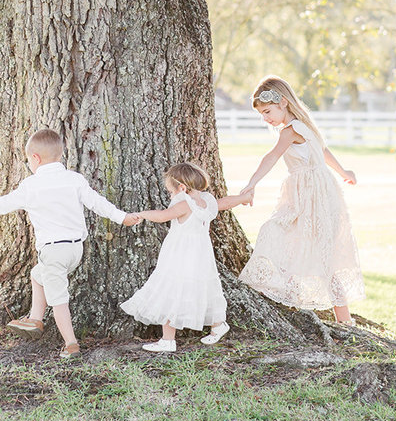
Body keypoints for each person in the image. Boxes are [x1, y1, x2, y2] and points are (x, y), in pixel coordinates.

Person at [0, 127, 141, 360]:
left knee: (59, 300)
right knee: (37, 275)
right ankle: (35, 319)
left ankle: (71, 344)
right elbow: (98, 203)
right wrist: (123, 217)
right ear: (59, 155)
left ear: (35, 158)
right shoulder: (74, 179)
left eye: (28, 159)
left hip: (52, 251)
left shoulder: (31, 186)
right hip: (75, 250)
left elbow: (2, 204)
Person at [238, 76, 364, 324]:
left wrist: (251, 184)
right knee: (299, 242)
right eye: (262, 114)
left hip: (312, 197)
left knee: (309, 247)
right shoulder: (304, 125)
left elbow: (272, 157)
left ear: (283, 102)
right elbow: (323, 151)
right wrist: (343, 173)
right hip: (315, 193)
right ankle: (326, 311)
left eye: (268, 111)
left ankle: (343, 318)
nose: (266, 118)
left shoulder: (292, 129)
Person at [121, 162, 251, 352]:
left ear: (182, 188)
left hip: (180, 255)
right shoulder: (205, 201)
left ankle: (168, 340)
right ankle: (218, 324)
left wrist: (141, 214)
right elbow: (225, 203)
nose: (170, 196)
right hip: (200, 256)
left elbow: (163, 216)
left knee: (171, 290)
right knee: (204, 288)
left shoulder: (184, 204)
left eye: (170, 192)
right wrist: (243, 198)